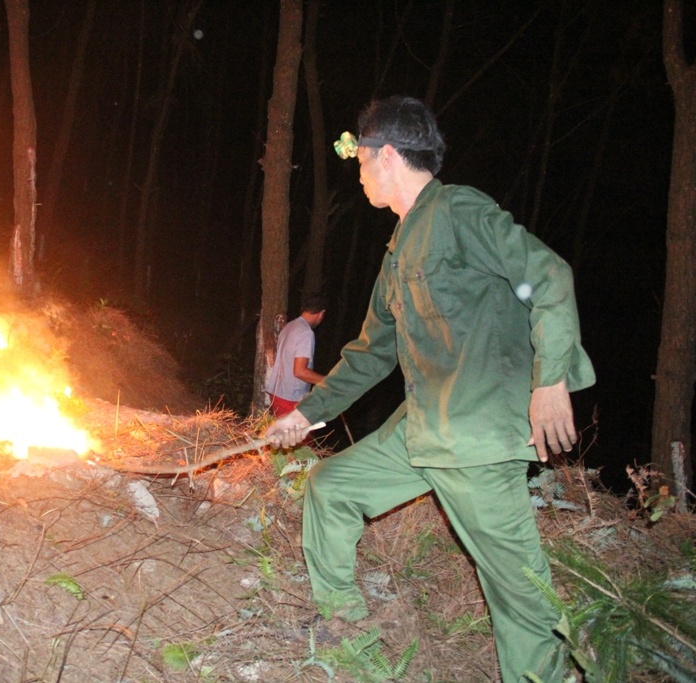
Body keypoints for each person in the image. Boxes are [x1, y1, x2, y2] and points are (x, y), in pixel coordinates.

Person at [265, 96, 595, 683]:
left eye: (363, 160)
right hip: (424, 425)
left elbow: (550, 276)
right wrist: (307, 414)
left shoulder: (459, 211)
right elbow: (370, 353)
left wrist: (551, 381)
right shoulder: (397, 251)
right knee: (332, 486)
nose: (360, 172)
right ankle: (343, 625)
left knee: (518, 596)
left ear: (387, 155)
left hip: (476, 434)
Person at [265, 292, 328, 417]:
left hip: (277, 393)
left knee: (284, 435)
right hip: (290, 398)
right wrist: (328, 382)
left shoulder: (290, 326)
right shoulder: (306, 333)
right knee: (301, 436)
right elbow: (300, 371)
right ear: (321, 313)